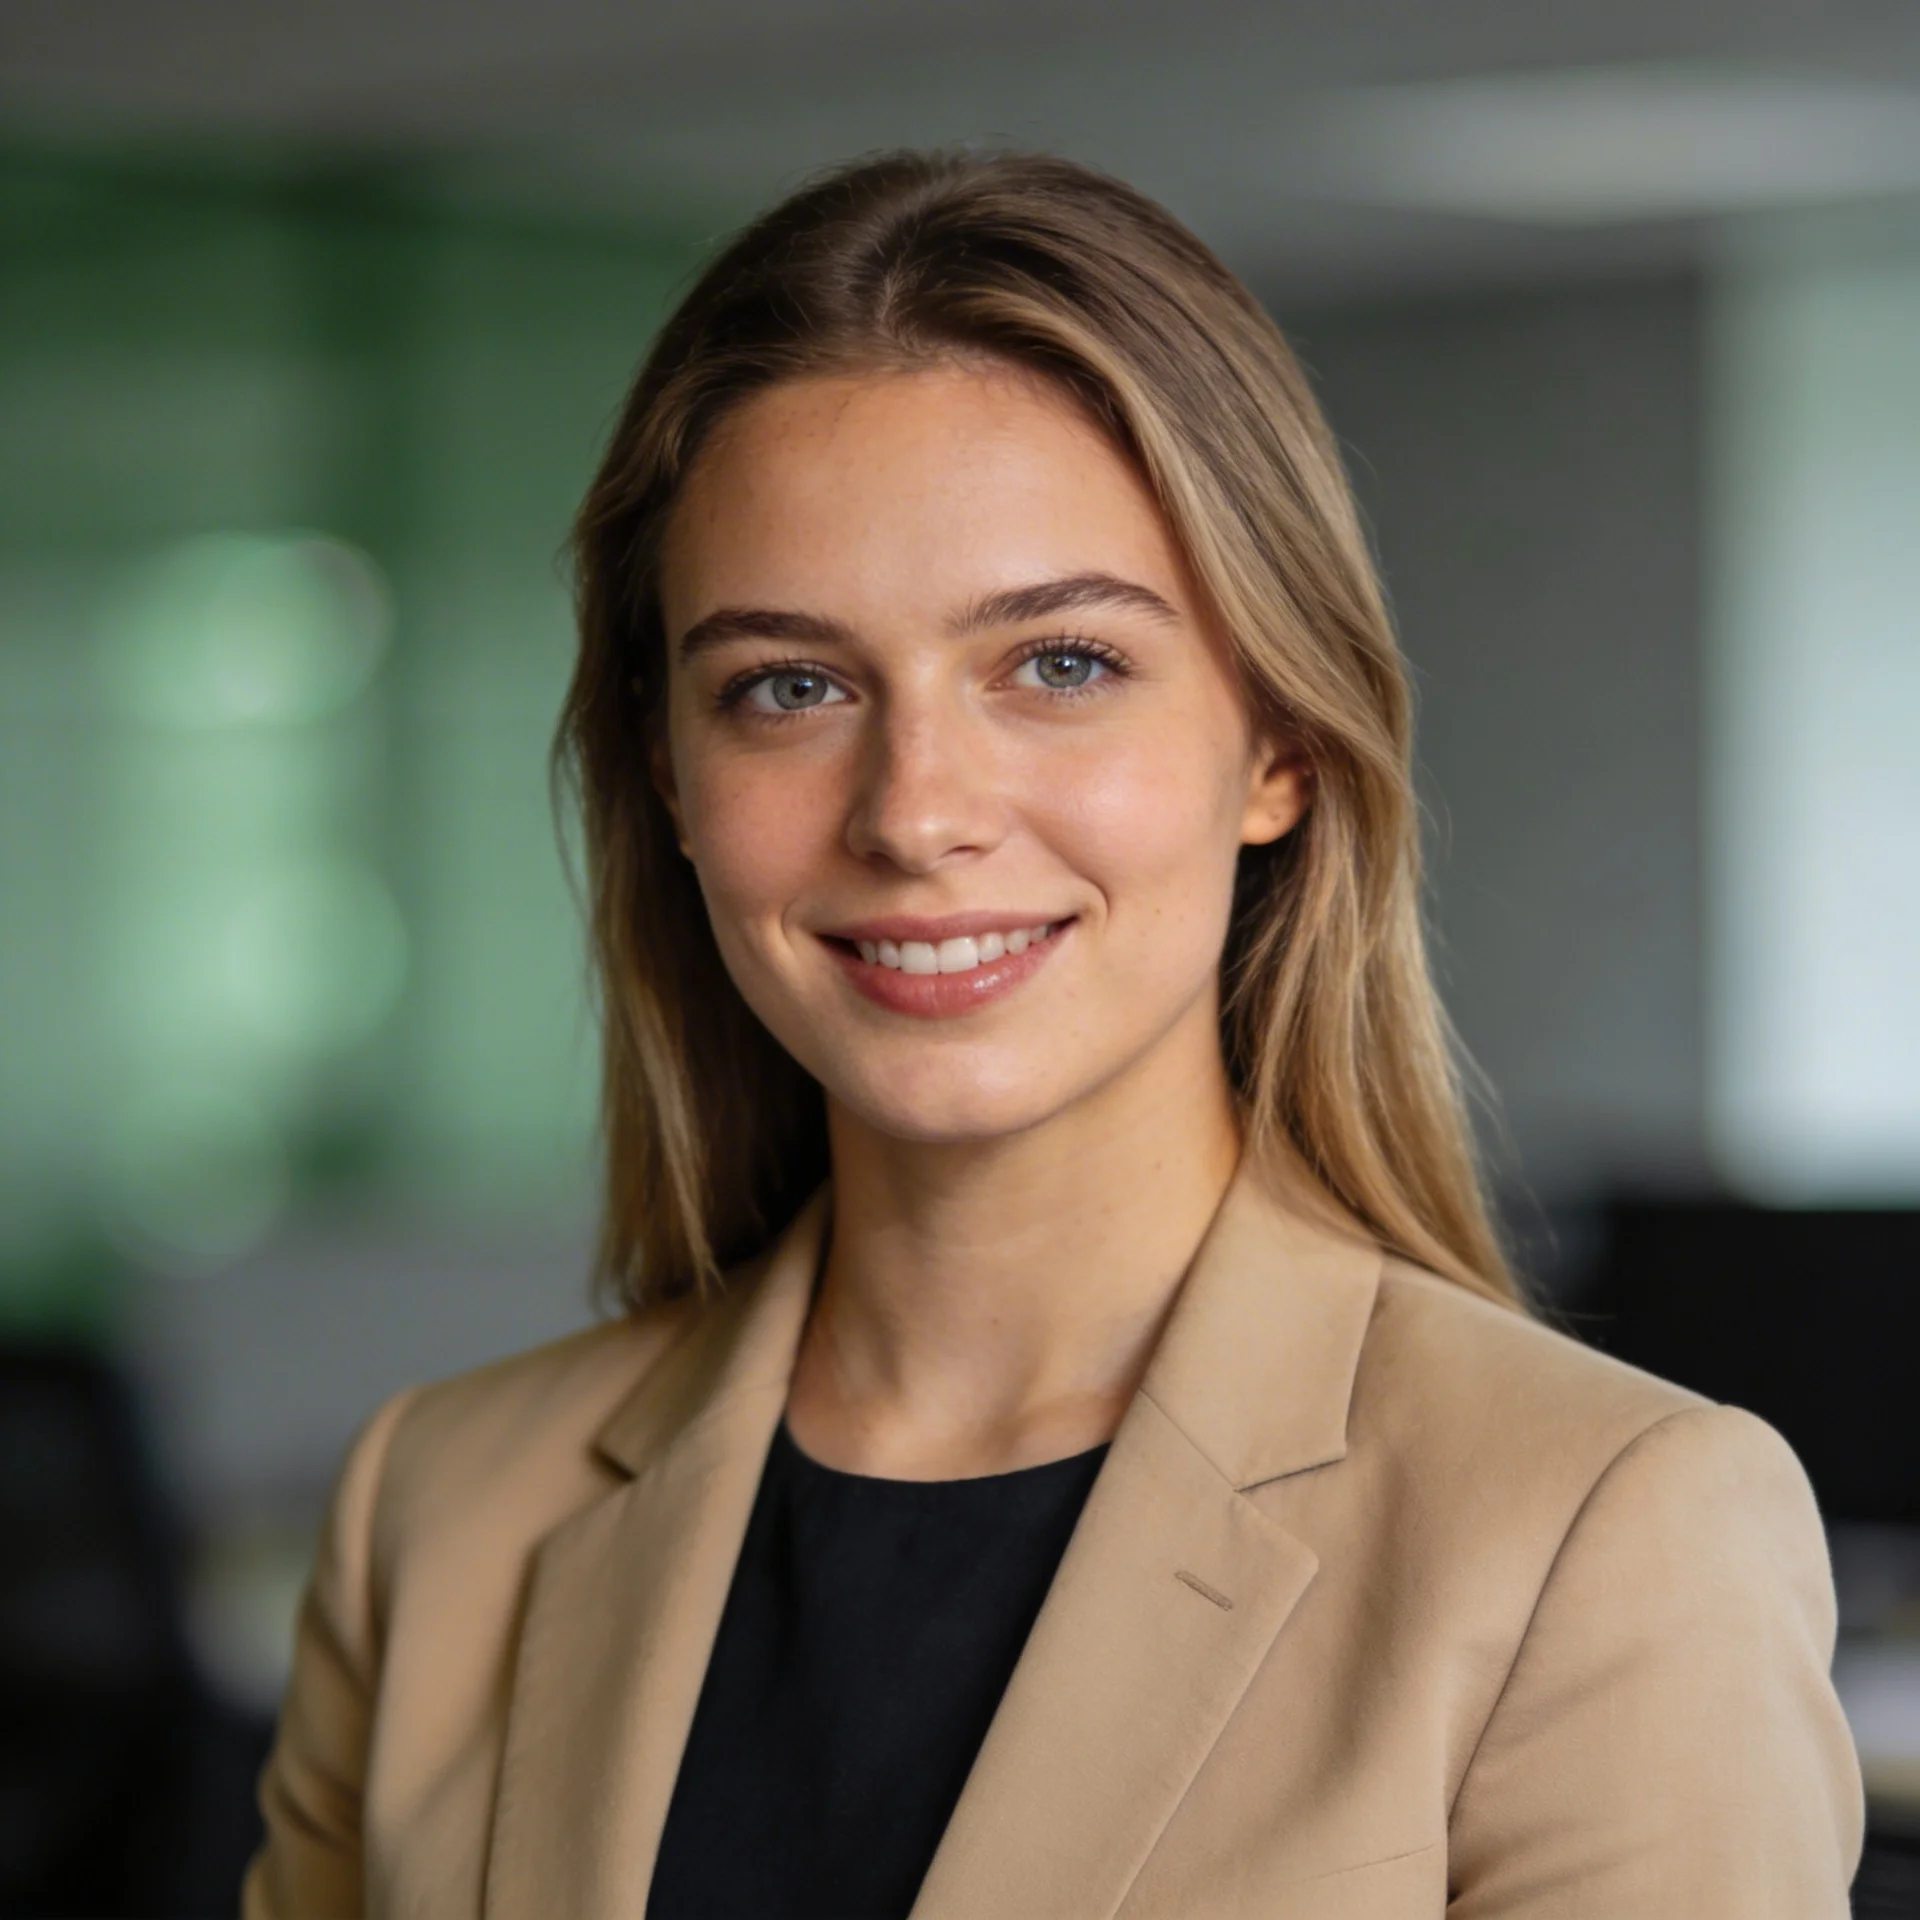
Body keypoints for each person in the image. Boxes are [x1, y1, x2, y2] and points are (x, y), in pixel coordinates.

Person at [244, 149, 1862, 1918]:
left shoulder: (1600, 1530)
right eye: (789, 686)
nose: (915, 812)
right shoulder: (439, 1510)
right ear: (671, 776)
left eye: (1062, 663)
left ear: (1278, 742)